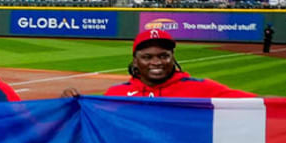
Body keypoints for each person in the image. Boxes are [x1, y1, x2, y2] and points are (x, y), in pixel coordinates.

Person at [102, 30, 250, 97]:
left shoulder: (203, 89)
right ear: (135, 61)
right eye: (147, 57)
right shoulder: (116, 94)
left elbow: (258, 106)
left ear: (173, 57)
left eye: (164, 56)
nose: (156, 62)